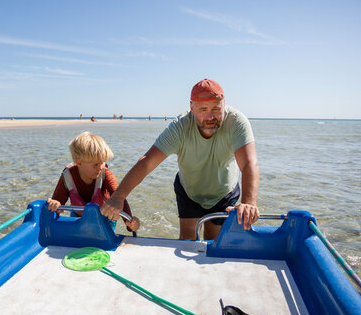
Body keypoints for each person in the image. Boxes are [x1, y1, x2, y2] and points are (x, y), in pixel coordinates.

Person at [101, 79, 259, 240]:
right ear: (192, 108)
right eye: (203, 109)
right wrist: (118, 196)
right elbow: (147, 162)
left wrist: (249, 202)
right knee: (187, 242)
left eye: (217, 109)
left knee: (213, 242)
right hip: (189, 190)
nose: (211, 116)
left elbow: (248, 163)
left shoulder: (236, 122)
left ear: (224, 105)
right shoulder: (180, 127)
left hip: (224, 191)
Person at [47, 131, 140, 233]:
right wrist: (55, 204)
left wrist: (129, 222)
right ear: (79, 162)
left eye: (102, 163)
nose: (100, 168)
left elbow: (119, 197)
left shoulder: (105, 174)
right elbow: (57, 202)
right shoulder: (68, 176)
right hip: (78, 217)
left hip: (104, 218)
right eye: (95, 164)